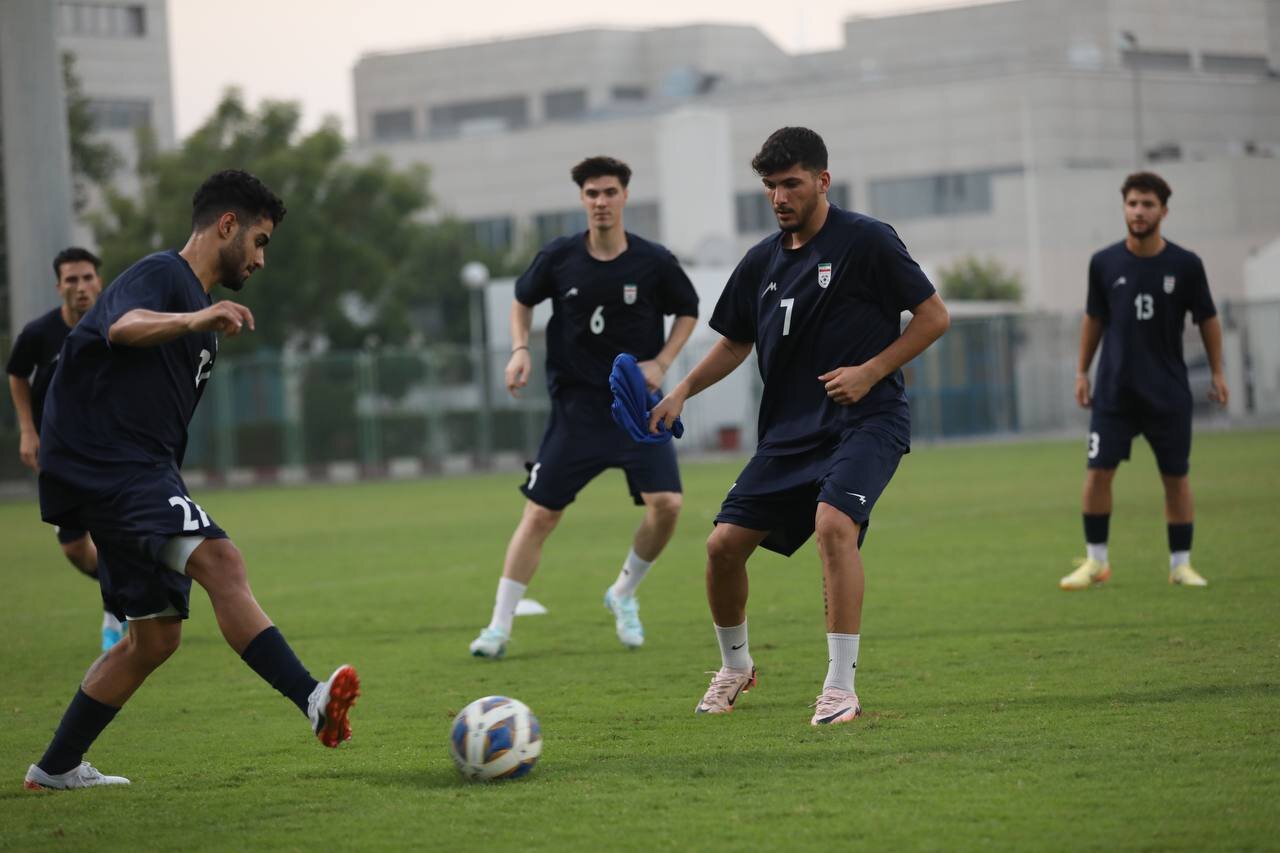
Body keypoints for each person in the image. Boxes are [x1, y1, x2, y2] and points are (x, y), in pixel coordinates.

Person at [23, 170, 358, 791]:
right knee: (223, 562)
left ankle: (55, 767)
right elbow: (119, 328)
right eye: (258, 241)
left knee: (153, 640)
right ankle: (312, 700)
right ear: (226, 225)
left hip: (128, 472)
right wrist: (192, 320)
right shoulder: (165, 276)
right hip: (113, 468)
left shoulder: (197, 308)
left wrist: (198, 324)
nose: (259, 259)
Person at [649, 127, 950, 725]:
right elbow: (735, 342)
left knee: (833, 525)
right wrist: (681, 389)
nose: (780, 197)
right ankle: (736, 668)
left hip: (868, 419)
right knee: (721, 548)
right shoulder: (761, 260)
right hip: (789, 435)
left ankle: (840, 689)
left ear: (822, 181)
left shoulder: (867, 241)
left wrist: (870, 371)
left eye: (791, 184)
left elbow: (933, 316)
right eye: (769, 187)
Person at [468, 156, 700, 659]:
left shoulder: (653, 261)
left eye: (609, 192)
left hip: (638, 407)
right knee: (540, 516)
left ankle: (622, 593)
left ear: (624, 197)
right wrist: (520, 349)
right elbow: (522, 299)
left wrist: (662, 361)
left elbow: (689, 309)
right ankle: (498, 628)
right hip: (576, 409)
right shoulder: (558, 257)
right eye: (592, 193)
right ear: (582, 199)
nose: (601, 201)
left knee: (669, 506)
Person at [1060, 171, 1228, 591]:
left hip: (1167, 392)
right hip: (1114, 391)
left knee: (1176, 477)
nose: (1139, 211)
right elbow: (1094, 319)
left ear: (1163, 211)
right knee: (1098, 473)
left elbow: (1207, 319)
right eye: (1133, 203)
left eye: (1148, 204)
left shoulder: (1186, 265)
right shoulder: (1104, 262)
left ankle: (1180, 565)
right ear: (1124, 208)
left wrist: (1219, 372)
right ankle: (1096, 562)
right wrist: (1082, 372)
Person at [7, 247, 125, 650]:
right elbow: (17, 374)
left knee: (114, 537)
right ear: (59, 287)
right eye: (71, 280)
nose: (81, 287)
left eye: (87, 277)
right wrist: (27, 429)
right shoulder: (39, 334)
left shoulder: (119, 324)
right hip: (56, 456)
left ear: (99, 281)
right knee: (76, 548)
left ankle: (117, 613)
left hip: (109, 453)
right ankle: (124, 594)